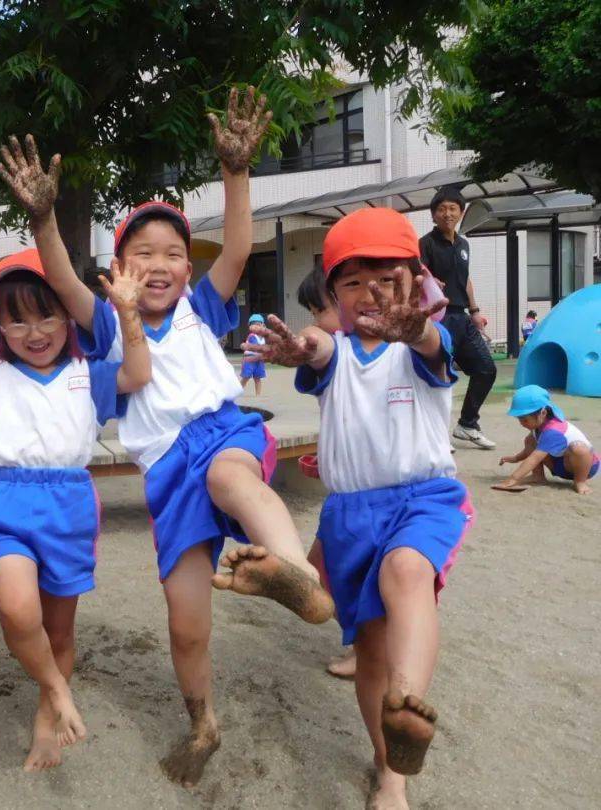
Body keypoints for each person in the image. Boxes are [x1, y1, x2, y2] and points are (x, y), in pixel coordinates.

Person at [0, 86, 334, 788]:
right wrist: (43, 219)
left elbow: (238, 245)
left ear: (189, 267)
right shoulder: (104, 322)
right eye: (140, 253)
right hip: (165, 473)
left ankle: (296, 573)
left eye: (173, 253)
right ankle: (202, 721)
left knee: (232, 480)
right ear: (117, 270)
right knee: (186, 621)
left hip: (221, 432)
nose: (158, 263)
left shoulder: (200, 308)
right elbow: (59, 273)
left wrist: (237, 173)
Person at [251, 206, 474, 810]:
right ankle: (387, 760)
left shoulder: (425, 347)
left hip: (422, 500)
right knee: (369, 649)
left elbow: (431, 343)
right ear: (333, 295)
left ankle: (406, 710)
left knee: (408, 573)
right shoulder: (337, 352)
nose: (370, 293)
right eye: (352, 283)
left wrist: (419, 327)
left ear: (417, 281)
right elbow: (319, 346)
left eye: (387, 278)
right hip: (349, 515)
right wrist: (302, 345)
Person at [0, 248, 151, 772]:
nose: (34, 331)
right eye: (16, 319)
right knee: (18, 610)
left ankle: (46, 722)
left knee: (60, 631)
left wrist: (128, 314)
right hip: (6, 505)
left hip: (69, 509)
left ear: (68, 316)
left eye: (47, 314)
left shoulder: (88, 374)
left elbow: (139, 373)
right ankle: (58, 690)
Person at [295, 268, 356, 679]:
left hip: (359, 495)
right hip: (343, 487)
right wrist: (328, 456)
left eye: (321, 309)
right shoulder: (333, 351)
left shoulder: (360, 352)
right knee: (316, 565)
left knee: (341, 571)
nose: (316, 319)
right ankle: (360, 637)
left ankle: (365, 645)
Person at [419, 186, 497, 449]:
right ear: (433, 215)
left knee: (486, 369)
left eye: (453, 208)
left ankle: (467, 424)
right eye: (441, 209)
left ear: (461, 213)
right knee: (439, 377)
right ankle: (435, 435)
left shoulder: (463, 244)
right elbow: (416, 275)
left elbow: (466, 280)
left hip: (461, 317)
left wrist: (475, 312)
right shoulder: (425, 244)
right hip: (437, 319)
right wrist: (429, 281)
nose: (447, 213)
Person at [498, 384, 598, 495]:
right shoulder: (539, 426)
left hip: (584, 468)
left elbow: (535, 458)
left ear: (543, 413)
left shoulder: (553, 430)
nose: (521, 423)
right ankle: (538, 476)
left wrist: (513, 479)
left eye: (525, 420)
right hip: (559, 463)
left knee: (579, 448)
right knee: (530, 440)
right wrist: (516, 458)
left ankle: (580, 482)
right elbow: (533, 449)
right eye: (519, 419)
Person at [240, 314, 267, 395]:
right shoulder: (251, 336)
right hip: (250, 359)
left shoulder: (263, 337)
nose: (256, 326)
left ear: (263, 325)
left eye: (258, 324)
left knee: (257, 378)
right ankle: (236, 392)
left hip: (259, 360)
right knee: (246, 377)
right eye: (253, 324)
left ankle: (258, 395)